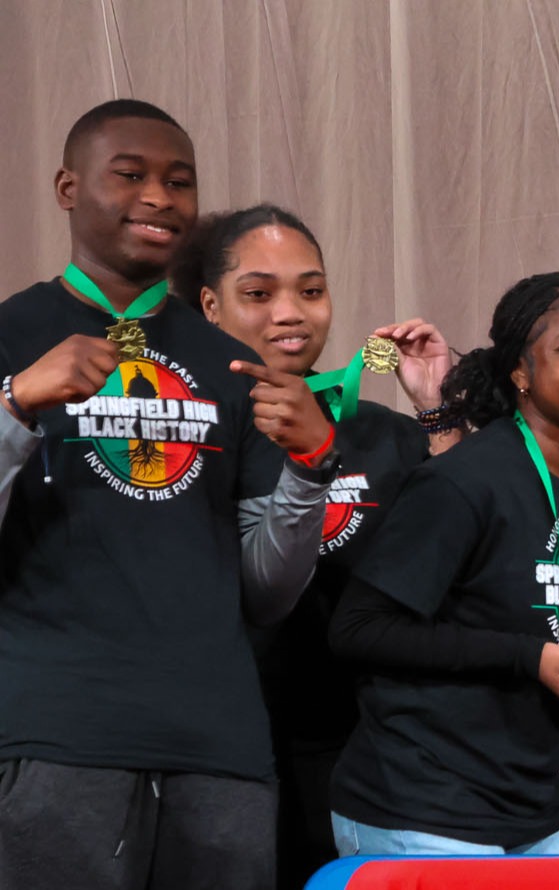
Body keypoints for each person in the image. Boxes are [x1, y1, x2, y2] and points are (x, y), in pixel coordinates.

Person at [0, 99, 334, 890]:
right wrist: (14, 404)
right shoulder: (12, 335)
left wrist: (312, 466)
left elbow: (266, 591)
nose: (159, 197)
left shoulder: (231, 363)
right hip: (54, 737)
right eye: (132, 175)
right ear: (67, 188)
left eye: (179, 182)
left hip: (218, 746)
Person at [169, 203, 458, 885]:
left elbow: (462, 557)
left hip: (369, 746)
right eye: (259, 294)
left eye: (311, 289)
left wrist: (438, 412)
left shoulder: (386, 433)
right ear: (210, 305)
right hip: (232, 744)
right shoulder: (186, 431)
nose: (291, 312)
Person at [325, 273, 559, 855]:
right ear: (520, 370)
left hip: (532, 812)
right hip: (424, 811)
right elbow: (359, 628)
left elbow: (540, 616)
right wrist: (529, 658)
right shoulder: (465, 482)